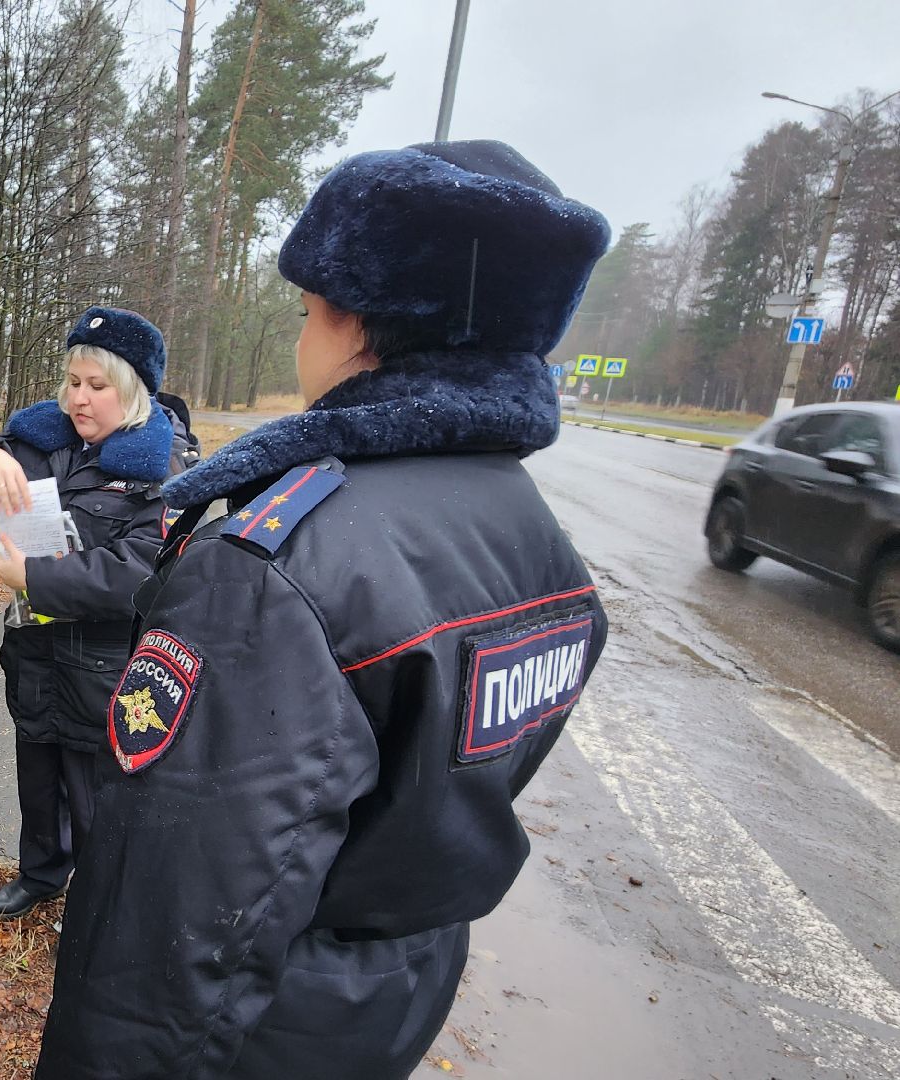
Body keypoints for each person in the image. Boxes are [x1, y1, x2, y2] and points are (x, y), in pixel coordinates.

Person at [35, 140, 613, 1078]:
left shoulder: (274, 568)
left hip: (252, 1033)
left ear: (349, 318)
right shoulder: (534, 537)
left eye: (306, 313)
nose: (303, 338)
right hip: (391, 999)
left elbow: (173, 932)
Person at [0, 307, 192, 920]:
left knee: (97, 788)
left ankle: (102, 898)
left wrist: (33, 578)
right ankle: (41, 872)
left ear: (132, 390)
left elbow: (138, 571)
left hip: (104, 663)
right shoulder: (42, 440)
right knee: (38, 766)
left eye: (98, 387)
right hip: (34, 650)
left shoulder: (160, 470)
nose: (80, 399)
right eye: (74, 382)